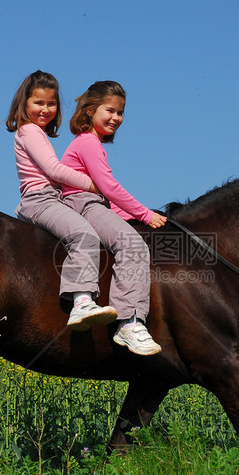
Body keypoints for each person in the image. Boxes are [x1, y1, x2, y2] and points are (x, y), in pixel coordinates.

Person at [60, 80, 166, 356]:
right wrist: (144, 213)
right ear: (89, 111)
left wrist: (132, 216)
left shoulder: (90, 143)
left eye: (120, 112)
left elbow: (105, 198)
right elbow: (108, 187)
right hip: (83, 204)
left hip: (92, 204)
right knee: (131, 245)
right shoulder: (88, 143)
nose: (117, 118)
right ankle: (129, 323)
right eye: (110, 110)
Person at [7, 70, 118, 331]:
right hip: (40, 199)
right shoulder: (30, 131)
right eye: (39, 103)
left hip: (51, 198)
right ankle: (81, 301)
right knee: (83, 235)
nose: (45, 109)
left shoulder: (36, 132)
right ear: (24, 104)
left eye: (51, 104)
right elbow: (54, 171)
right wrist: (93, 185)